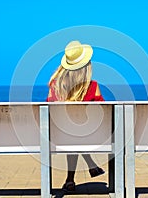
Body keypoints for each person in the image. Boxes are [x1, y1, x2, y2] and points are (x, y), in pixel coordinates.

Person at [46, 40, 105, 192]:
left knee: (72, 133)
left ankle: (70, 179)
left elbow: (49, 110)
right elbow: (104, 111)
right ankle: (90, 166)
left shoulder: (55, 86)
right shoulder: (92, 86)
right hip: (90, 135)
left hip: (58, 135)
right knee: (78, 134)